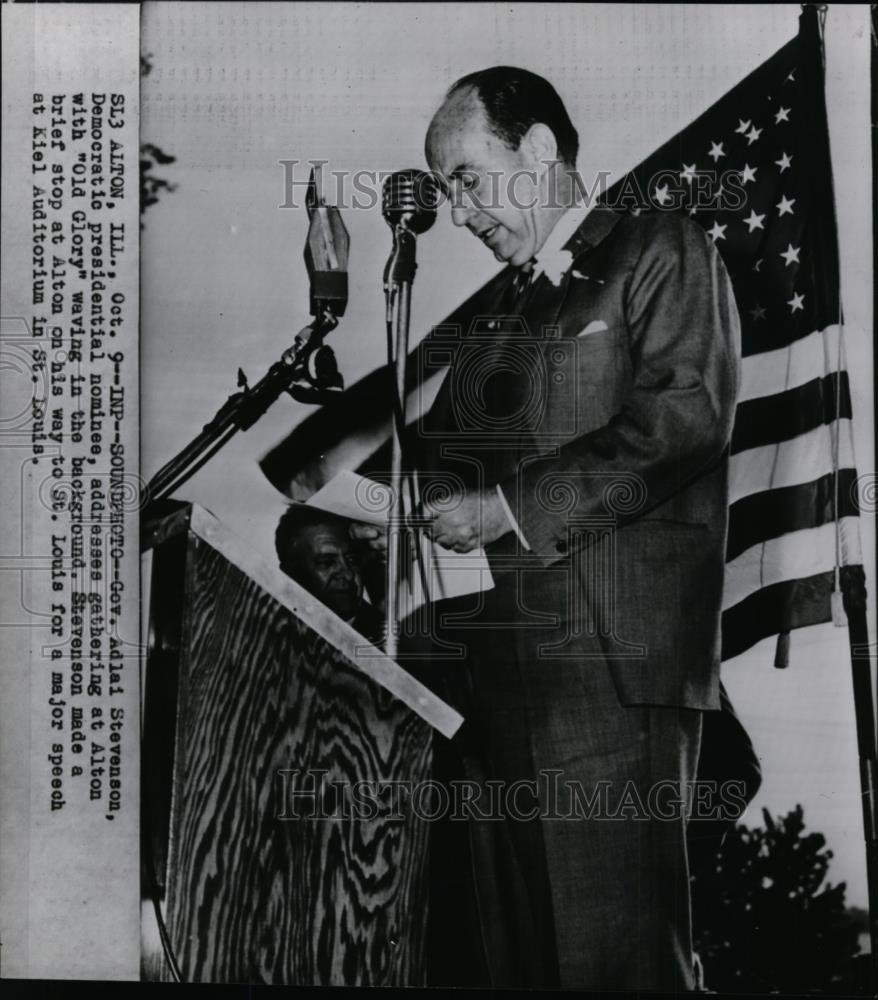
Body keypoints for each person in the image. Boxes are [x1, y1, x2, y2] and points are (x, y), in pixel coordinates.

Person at [356, 65, 743, 990]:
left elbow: (680, 421)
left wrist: (504, 509)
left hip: (606, 682)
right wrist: (358, 521)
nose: (456, 212)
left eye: (463, 178)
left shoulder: (658, 248)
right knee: (517, 968)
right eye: (443, 189)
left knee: (613, 967)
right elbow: (418, 466)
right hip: (484, 698)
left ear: (537, 153)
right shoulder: (492, 317)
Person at [275, 503, 384, 647]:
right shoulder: (273, 639)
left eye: (352, 559)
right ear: (291, 574)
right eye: (326, 563)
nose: (348, 574)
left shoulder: (396, 643)